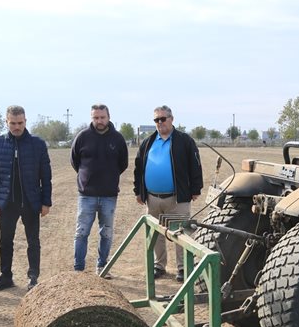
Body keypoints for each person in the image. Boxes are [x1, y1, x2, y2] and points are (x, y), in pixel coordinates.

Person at [133, 105, 203, 282]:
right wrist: (138, 191)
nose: (160, 123)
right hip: (152, 198)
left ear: (172, 119)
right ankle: (159, 265)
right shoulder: (148, 142)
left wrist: (195, 188)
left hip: (177, 198)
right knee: (155, 235)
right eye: (156, 120)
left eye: (163, 119)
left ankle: (183, 267)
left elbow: (195, 165)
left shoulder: (184, 141)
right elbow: (138, 168)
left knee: (182, 233)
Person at [0, 105, 52, 292]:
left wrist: (46, 201)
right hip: (7, 202)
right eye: (13, 123)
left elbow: (45, 175)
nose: (17, 127)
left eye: (20, 123)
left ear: (25, 121)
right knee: (5, 241)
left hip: (31, 201)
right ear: (6, 122)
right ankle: (5, 276)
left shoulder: (37, 144)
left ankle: (33, 277)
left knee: (33, 241)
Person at [70, 103, 128, 276]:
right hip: (86, 195)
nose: (99, 121)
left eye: (102, 117)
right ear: (91, 118)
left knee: (107, 233)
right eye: (95, 117)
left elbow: (123, 164)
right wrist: (86, 179)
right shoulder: (82, 137)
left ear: (108, 117)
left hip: (109, 195)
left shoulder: (117, 139)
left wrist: (109, 178)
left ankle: (102, 267)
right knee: (81, 233)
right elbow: (75, 161)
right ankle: (78, 269)